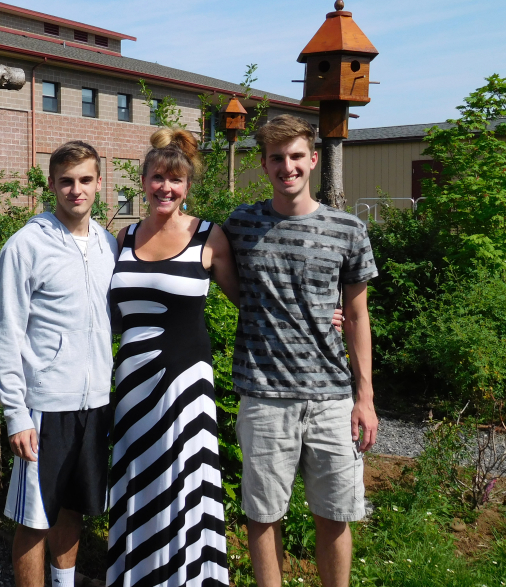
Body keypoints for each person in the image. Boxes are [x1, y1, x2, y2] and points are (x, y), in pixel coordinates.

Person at [222, 114, 379, 587]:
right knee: (263, 513)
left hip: (332, 398)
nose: (286, 167)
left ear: (312, 159)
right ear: (264, 164)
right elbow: (219, 272)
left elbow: (356, 316)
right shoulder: (241, 225)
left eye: (295, 157)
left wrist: (364, 398)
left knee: (335, 514)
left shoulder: (347, 229)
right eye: (276, 158)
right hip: (264, 395)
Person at [107, 128, 235, 587]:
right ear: (142, 181)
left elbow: (253, 302)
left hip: (185, 386)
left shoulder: (208, 235)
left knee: (183, 481)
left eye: (175, 180)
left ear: (187, 187)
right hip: (132, 387)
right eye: (158, 177)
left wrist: (321, 315)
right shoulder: (120, 238)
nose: (166, 187)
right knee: (140, 480)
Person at [0, 140, 118, 587]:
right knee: (34, 518)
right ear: (51, 185)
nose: (76, 190)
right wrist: (16, 414)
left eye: (85, 180)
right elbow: (7, 335)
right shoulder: (25, 246)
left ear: (99, 184)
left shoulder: (108, 244)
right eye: (66, 181)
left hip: (96, 401)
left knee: (72, 507)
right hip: (44, 405)